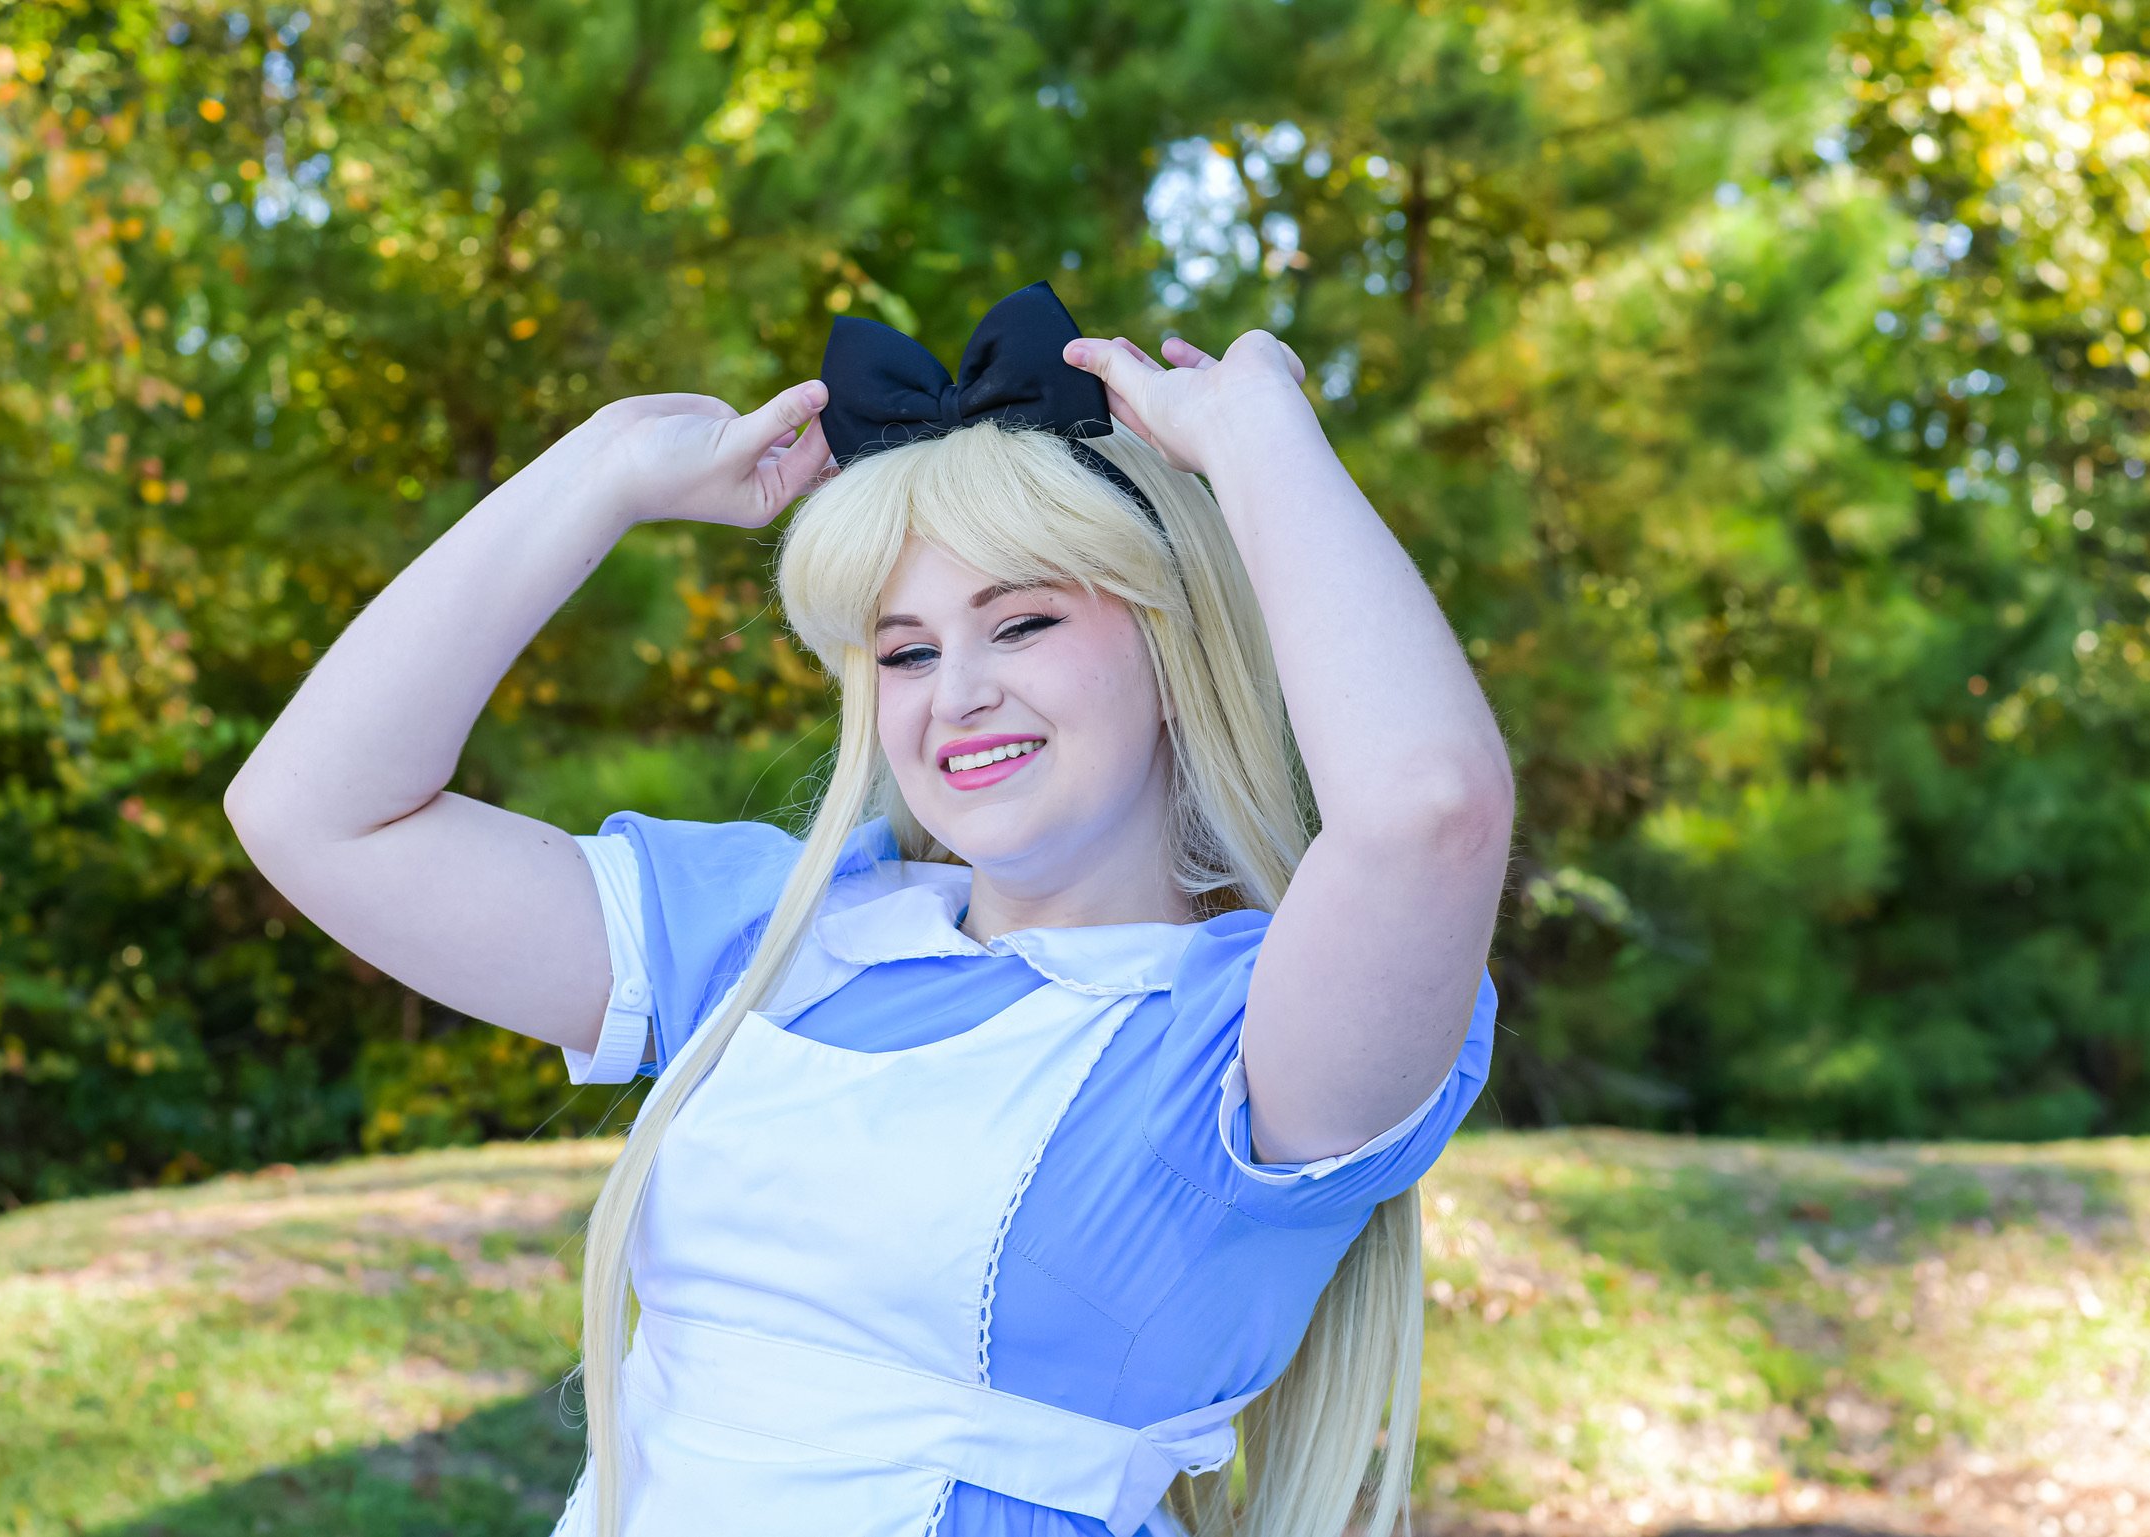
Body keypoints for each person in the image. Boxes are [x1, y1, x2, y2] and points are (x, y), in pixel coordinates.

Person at [223, 280, 1515, 1537]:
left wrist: (1260, 445)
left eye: (1019, 623)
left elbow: (1426, 811)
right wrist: (605, 470)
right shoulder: (781, 932)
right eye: (904, 649)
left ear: (1170, 648)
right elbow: (313, 810)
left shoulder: (1243, 1041)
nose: (953, 694)